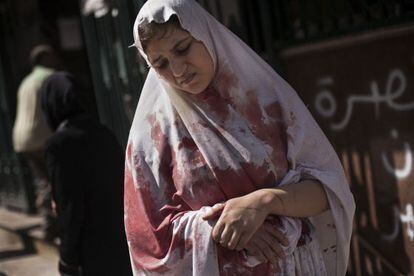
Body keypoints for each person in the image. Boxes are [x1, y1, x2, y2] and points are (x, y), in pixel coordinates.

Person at [125, 0, 355, 275]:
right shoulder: (151, 140)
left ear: (205, 34)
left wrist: (262, 203)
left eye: (182, 48)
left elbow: (328, 190)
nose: (177, 70)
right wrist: (222, 229)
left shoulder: (269, 104)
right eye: (160, 64)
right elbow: (147, 238)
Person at [40, 72, 132, 276]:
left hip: (92, 248)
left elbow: (69, 206)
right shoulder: (104, 133)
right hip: (122, 241)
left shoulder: (58, 145)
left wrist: (67, 258)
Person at [12, 44, 60, 239]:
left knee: (42, 181)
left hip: (22, 138)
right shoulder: (49, 75)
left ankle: (48, 221)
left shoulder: (26, 81)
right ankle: (51, 222)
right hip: (42, 136)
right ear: (45, 59)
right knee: (53, 181)